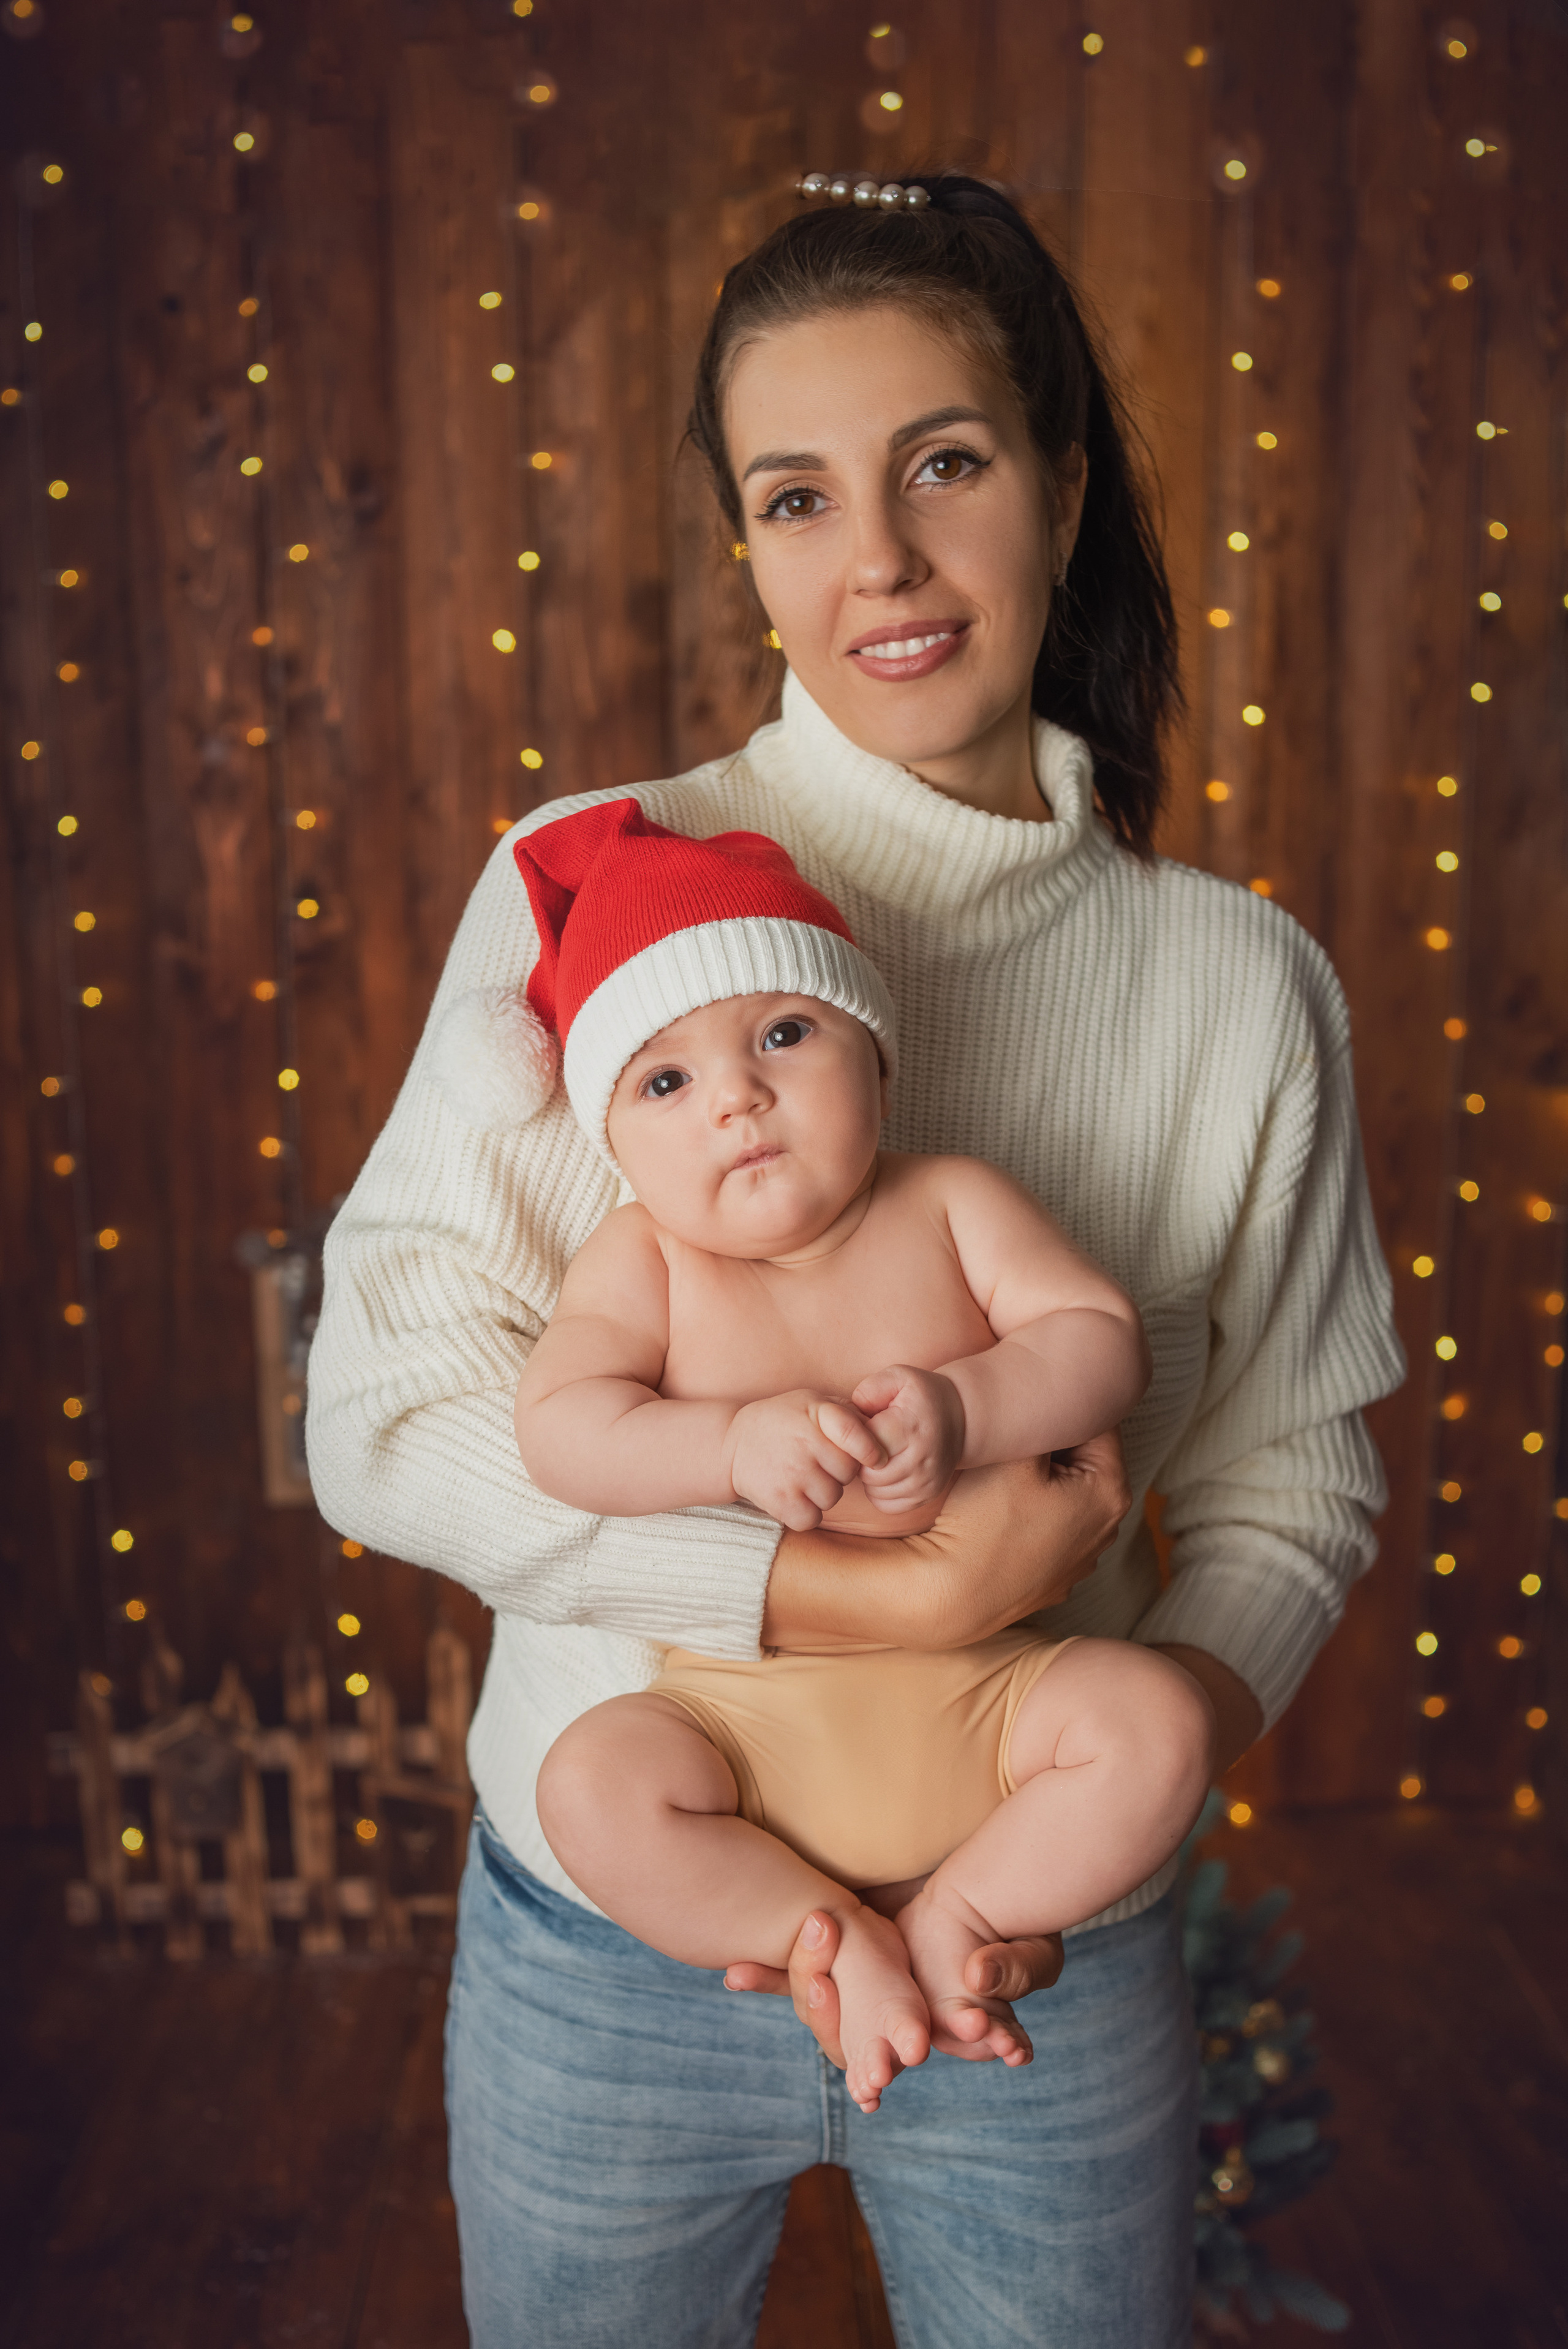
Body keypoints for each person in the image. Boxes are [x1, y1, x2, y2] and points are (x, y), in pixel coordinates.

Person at [306, 172, 1404, 2348]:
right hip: (617, 1940)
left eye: (947, 465)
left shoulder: (1238, 987)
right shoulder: (594, 903)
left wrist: (1106, 1783)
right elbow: (388, 1419)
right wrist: (835, 1590)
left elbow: (1295, 1481)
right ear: (748, 545)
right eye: (797, 496)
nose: (878, 560)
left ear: (1063, 490)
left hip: (1039, 1966)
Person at [498, 798, 1209, 2116]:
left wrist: (968, 1408)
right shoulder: (645, 1260)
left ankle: (961, 1913)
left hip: (991, 1694)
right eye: (665, 1081)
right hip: (742, 1716)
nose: (737, 1096)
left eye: (783, 1033)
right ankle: (821, 1935)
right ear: (616, 1144)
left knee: (1155, 1720)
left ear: (875, 1059)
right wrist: (727, 1444)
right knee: (591, 1785)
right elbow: (561, 1430)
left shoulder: (950, 1201)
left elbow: (1100, 1343)